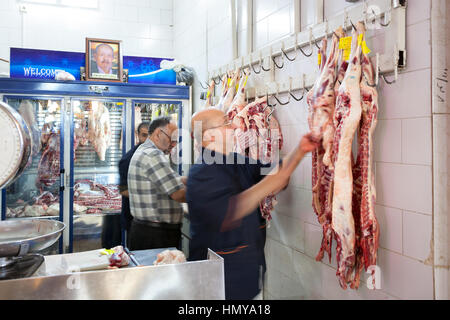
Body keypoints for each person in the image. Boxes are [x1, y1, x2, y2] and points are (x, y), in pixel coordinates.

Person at [186, 108, 319, 300]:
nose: (234, 127)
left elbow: (276, 174)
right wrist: (273, 181)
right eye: (226, 123)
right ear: (210, 136)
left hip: (246, 276)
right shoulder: (201, 174)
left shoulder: (238, 162)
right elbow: (236, 209)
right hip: (216, 282)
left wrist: (301, 150)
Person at [127, 116, 187, 251]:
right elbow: (178, 194)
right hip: (155, 235)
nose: (174, 144)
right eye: (172, 139)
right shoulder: (153, 155)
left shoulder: (144, 150)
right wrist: (209, 191)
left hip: (148, 231)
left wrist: (194, 178)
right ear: (158, 134)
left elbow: (168, 180)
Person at [118, 122, 149, 247]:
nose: (147, 140)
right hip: (134, 220)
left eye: (149, 136)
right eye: (144, 135)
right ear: (138, 135)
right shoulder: (128, 159)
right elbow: (124, 191)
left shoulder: (154, 156)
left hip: (150, 221)